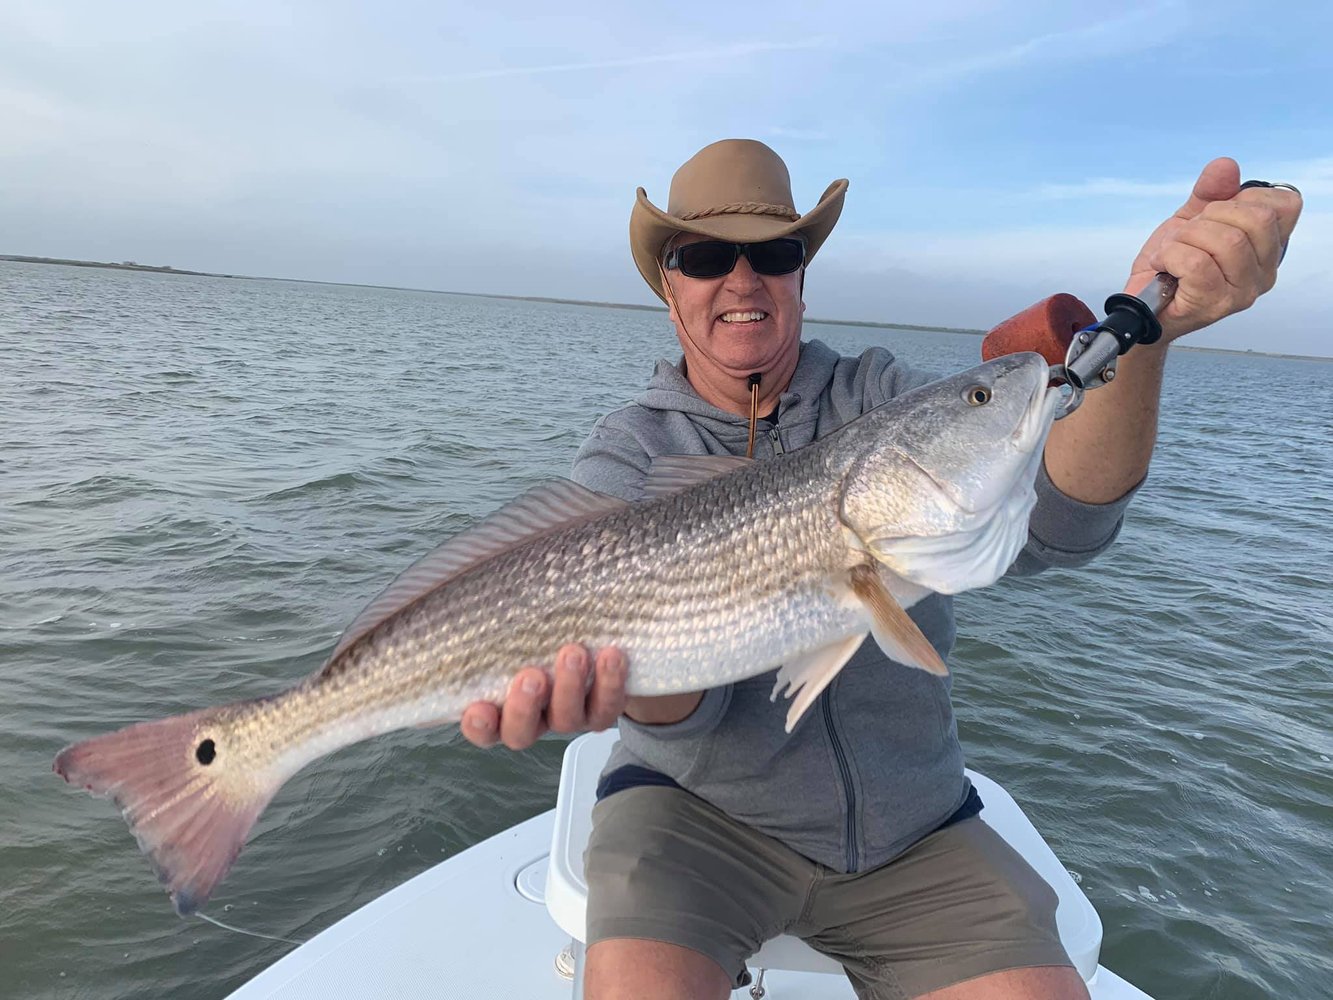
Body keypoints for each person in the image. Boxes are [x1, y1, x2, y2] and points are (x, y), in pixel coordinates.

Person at [459, 140, 1302, 999]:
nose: (742, 280)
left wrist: (1146, 335)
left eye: (775, 254)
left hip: (912, 828)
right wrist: (626, 677)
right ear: (668, 287)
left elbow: (1063, 529)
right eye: (705, 258)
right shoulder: (627, 454)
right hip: (690, 815)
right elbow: (684, 716)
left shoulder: (887, 397)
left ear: (800, 275)